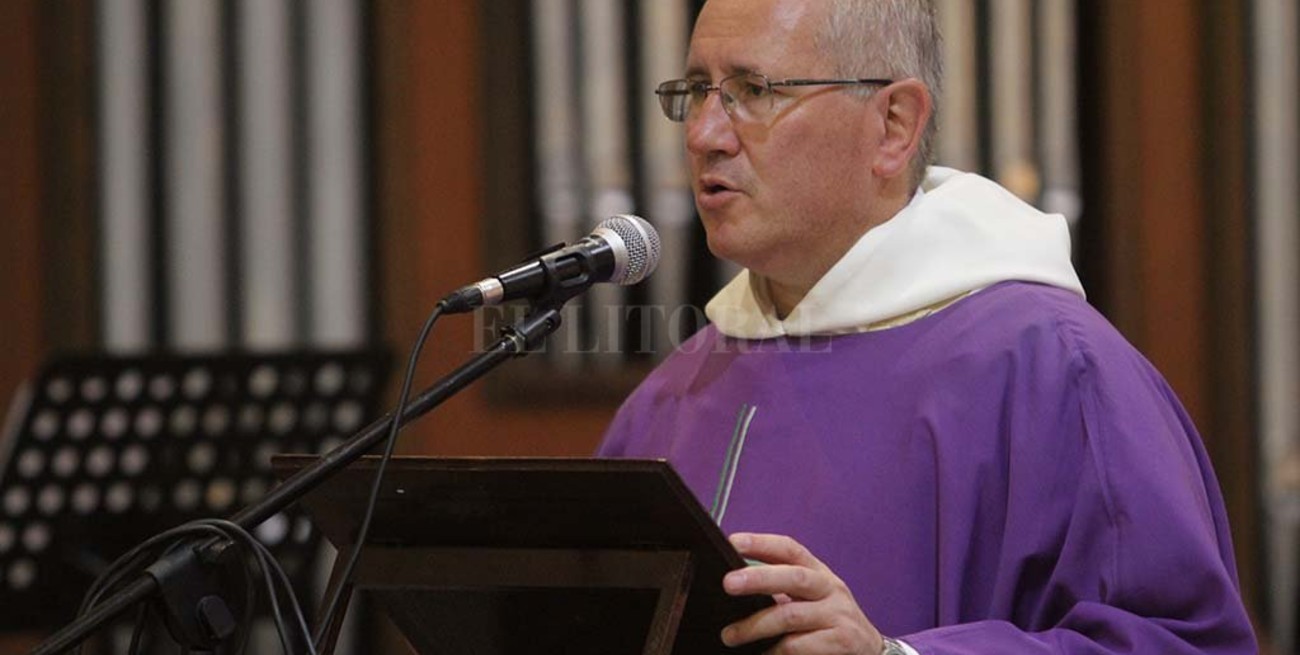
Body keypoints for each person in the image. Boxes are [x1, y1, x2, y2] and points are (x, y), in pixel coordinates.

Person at [596, 0, 1258, 653]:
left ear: (893, 124)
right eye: (695, 90)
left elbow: (1180, 642)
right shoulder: (670, 399)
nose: (704, 133)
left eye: (751, 90)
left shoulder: (1054, 369)